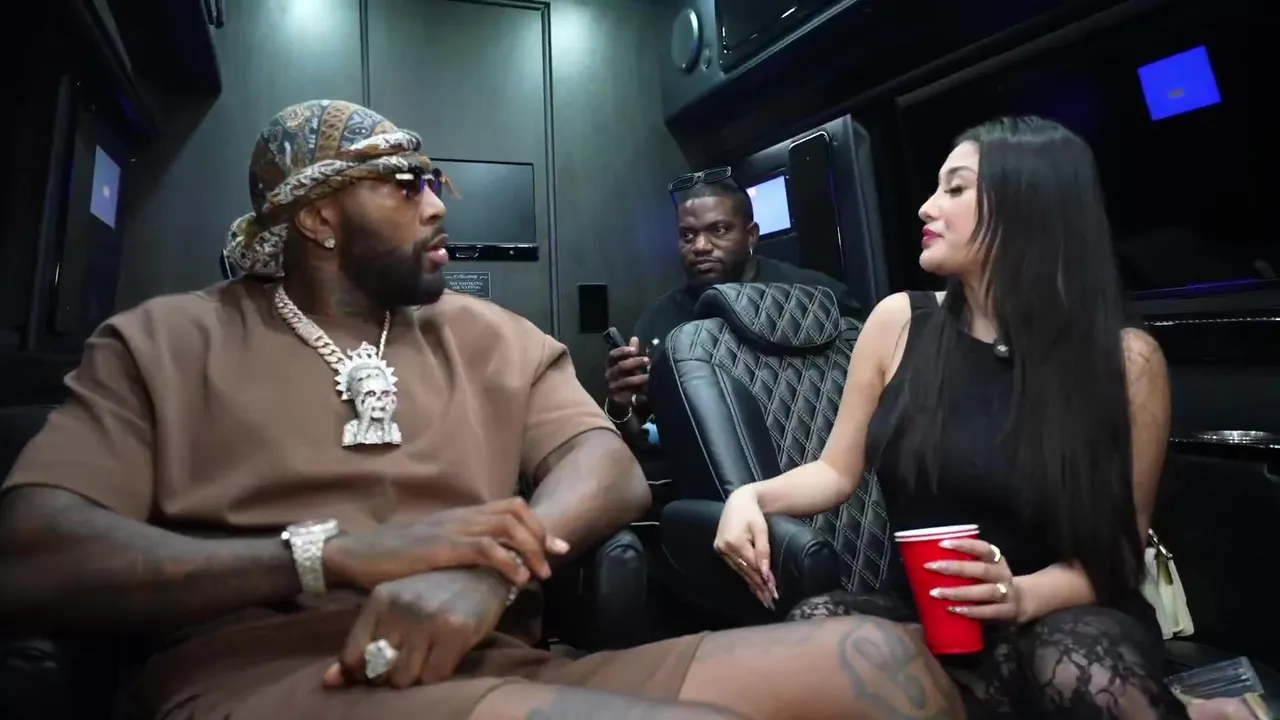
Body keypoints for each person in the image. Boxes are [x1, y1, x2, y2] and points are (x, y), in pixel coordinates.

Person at [0, 100, 965, 720]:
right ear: (319, 218)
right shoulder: (164, 342)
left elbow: (607, 468)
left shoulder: (489, 334)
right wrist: (325, 555)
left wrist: (488, 575)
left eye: (434, 184)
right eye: (404, 186)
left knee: (885, 667)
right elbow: (33, 552)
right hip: (274, 681)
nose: (436, 206)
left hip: (495, 659)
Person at [712, 116, 1191, 718]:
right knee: (815, 628)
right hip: (935, 613)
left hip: (1066, 608)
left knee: (1076, 669)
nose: (926, 207)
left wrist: (1018, 595)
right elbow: (834, 472)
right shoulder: (897, 323)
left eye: (956, 188)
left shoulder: (1127, 361)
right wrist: (750, 497)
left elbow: (1118, 556)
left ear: (1025, 206)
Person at [605, 172, 861, 446]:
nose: (700, 247)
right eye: (687, 235)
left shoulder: (817, 297)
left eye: (719, 230)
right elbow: (645, 439)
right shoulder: (657, 324)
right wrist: (620, 407)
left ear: (751, 235)